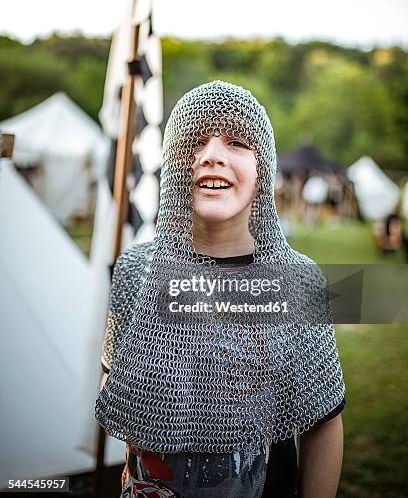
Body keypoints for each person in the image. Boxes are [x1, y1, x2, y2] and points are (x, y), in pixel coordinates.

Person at [96, 80, 345, 497]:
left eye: (236, 142)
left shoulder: (295, 281)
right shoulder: (136, 270)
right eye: (195, 141)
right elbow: (115, 385)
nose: (212, 156)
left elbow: (323, 421)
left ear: (263, 167)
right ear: (173, 162)